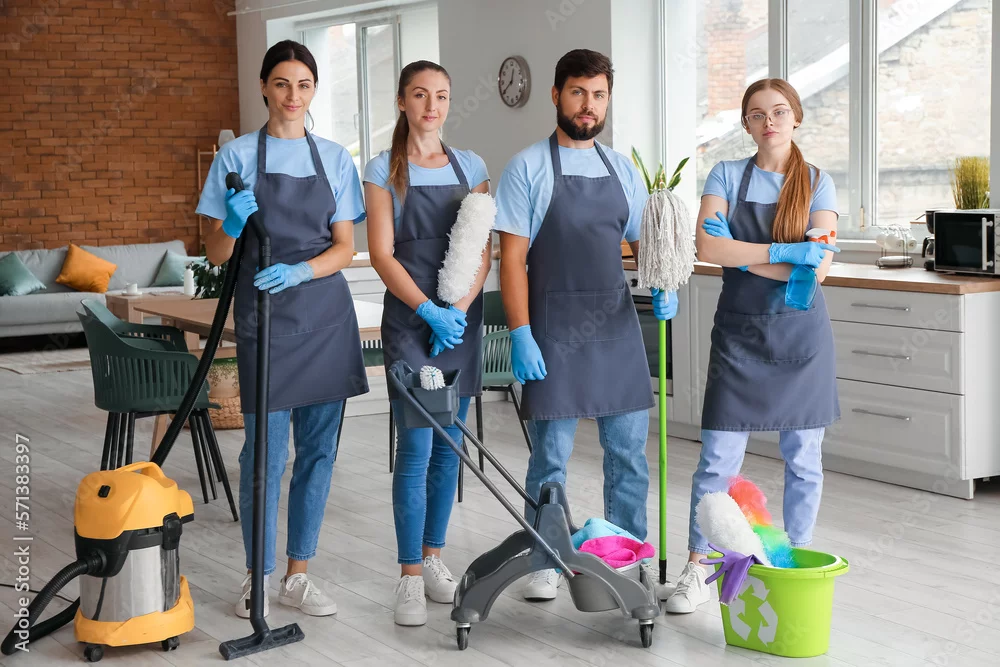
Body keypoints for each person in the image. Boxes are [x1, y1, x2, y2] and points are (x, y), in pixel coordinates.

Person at [493, 48, 678, 602]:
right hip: (553, 331)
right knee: (550, 457)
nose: (588, 105)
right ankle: (545, 558)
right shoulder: (527, 167)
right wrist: (520, 332)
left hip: (616, 328)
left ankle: (626, 557)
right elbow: (512, 261)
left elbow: (645, 247)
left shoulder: (622, 170)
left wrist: (662, 284)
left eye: (598, 95)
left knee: (628, 457)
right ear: (557, 95)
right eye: (578, 92)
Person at [197, 40, 370, 619]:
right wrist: (230, 223)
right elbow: (216, 253)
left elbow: (345, 248)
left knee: (319, 452)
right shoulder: (236, 157)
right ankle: (257, 576)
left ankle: (298, 575)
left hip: (324, 316)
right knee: (264, 458)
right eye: (281, 83)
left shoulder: (335, 159)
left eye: (304, 85)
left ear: (313, 90)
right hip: (265, 320)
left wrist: (301, 270)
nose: (293, 96)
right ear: (264, 88)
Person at [662, 78, 840, 613]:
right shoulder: (725, 173)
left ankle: (794, 562)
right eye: (758, 114)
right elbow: (707, 247)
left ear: (796, 118)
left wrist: (741, 253)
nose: (769, 122)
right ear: (746, 124)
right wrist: (785, 252)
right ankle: (698, 567)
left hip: (801, 336)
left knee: (804, 459)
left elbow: (819, 269)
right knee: (716, 460)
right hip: (739, 336)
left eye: (779, 111)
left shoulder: (818, 182)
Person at [364, 60, 491, 627]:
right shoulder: (382, 170)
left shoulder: (472, 166)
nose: (431, 106)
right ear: (402, 101)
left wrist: (457, 312)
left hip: (459, 321)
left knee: (449, 445)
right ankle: (410, 576)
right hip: (411, 321)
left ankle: (436, 557)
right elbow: (382, 254)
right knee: (416, 446)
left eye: (441, 95)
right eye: (420, 95)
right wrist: (428, 311)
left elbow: (482, 248)